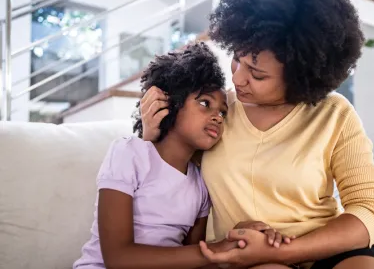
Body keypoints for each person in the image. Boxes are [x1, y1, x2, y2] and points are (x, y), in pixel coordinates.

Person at [140, 0, 374, 269]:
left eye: (257, 74)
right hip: (245, 256)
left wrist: (282, 252)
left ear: (301, 78)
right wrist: (153, 135)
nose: (237, 77)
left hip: (324, 248)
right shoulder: (215, 111)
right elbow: (167, 189)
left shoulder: (334, 114)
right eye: (237, 58)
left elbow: (370, 209)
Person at [74, 43, 291, 269]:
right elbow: (118, 259)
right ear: (172, 102)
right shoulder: (128, 155)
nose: (217, 117)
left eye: (223, 112)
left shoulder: (200, 185)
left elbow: (192, 259)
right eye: (205, 103)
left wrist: (238, 240)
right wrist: (216, 248)